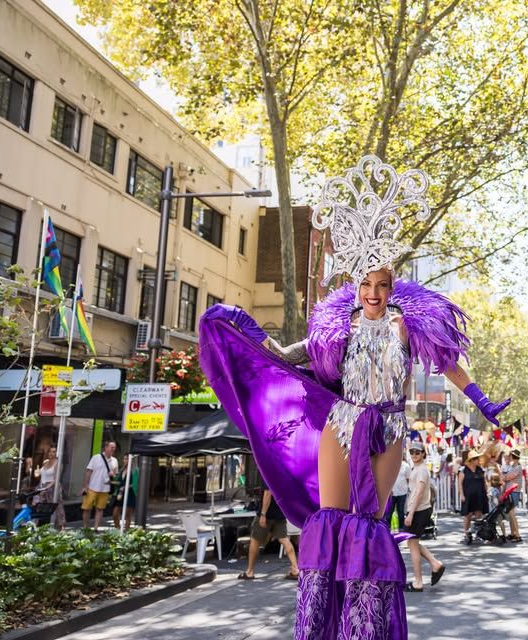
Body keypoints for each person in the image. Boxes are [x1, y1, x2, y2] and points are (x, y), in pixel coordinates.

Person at [199, 155, 509, 639]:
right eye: (366, 283)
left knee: (368, 527)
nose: (374, 292)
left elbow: (447, 362)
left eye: (382, 285)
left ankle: (363, 628)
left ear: (391, 287)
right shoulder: (335, 329)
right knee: (328, 523)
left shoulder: (407, 326)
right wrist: (247, 329)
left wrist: (481, 399)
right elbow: (285, 357)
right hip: (342, 423)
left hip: (386, 428)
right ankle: (318, 627)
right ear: (355, 285)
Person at [404, 442, 444, 591]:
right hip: (418, 510)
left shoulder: (422, 470)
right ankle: (435, 564)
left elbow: (419, 493)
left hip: (419, 510)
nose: (414, 455)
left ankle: (418, 582)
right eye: (412, 452)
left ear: (423, 454)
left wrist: (411, 514)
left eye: (417, 452)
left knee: (413, 544)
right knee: (412, 542)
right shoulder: (417, 468)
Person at [237, 485, 300, 580]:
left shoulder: (268, 472)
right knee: (285, 540)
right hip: (280, 513)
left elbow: (267, 493)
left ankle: (250, 571)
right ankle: (295, 569)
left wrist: (263, 514)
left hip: (267, 514)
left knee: (255, 540)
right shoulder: (283, 473)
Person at [81, 441, 117, 530]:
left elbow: (116, 475)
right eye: (111, 447)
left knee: (100, 509)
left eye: (114, 447)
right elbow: (88, 471)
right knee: (87, 508)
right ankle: (85, 527)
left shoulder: (114, 461)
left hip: (105, 489)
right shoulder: (96, 458)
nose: (113, 449)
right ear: (106, 447)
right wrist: (85, 486)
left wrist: (113, 474)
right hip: (92, 487)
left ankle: (96, 528)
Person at [459, 449, 488, 543]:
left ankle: (477, 533)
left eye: (478, 458)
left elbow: (484, 482)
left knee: (478, 514)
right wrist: (462, 495)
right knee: (468, 514)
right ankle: (466, 533)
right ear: (471, 460)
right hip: (468, 495)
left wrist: (486, 492)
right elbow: (459, 484)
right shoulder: (463, 470)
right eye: (475, 458)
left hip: (479, 494)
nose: (477, 460)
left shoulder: (480, 470)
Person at [34, 446, 65, 529]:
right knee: (36, 505)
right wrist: (35, 471)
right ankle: (33, 525)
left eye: (54, 452)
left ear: (56, 453)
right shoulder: (45, 462)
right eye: (50, 451)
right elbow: (38, 475)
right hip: (42, 486)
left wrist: (46, 488)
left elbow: (56, 479)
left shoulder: (58, 463)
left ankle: (61, 527)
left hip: (52, 487)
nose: (51, 453)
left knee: (57, 507)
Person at [111, 455, 139, 530]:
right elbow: (118, 481)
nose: (125, 460)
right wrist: (111, 480)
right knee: (115, 514)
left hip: (130, 494)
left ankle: (126, 532)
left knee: (127, 515)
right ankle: (118, 530)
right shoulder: (121, 469)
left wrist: (125, 487)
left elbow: (134, 484)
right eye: (124, 459)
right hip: (120, 493)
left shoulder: (135, 470)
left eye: (127, 459)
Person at [501, 449, 523, 542]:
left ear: (512, 457)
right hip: (509, 491)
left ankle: (517, 534)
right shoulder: (512, 466)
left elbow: (507, 478)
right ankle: (513, 533)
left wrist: (503, 476)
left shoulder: (517, 467)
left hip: (514, 492)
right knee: (510, 514)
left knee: (512, 514)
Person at [386, 453, 411, 530]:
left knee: (401, 512)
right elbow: (387, 479)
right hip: (391, 493)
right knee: (389, 512)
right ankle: (387, 529)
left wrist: (407, 489)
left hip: (402, 493)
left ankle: (401, 529)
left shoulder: (406, 466)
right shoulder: (390, 465)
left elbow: (408, 479)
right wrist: (389, 490)